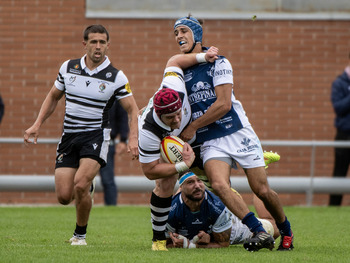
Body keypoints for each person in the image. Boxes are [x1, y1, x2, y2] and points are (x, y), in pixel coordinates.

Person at [174, 15, 293, 251]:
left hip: (237, 132)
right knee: (218, 185)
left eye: (184, 31)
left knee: (261, 190)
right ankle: (259, 231)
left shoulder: (220, 62)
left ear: (197, 34)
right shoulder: (179, 68)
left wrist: (192, 127)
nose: (179, 36)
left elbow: (224, 104)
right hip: (210, 139)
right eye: (176, 33)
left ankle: (287, 231)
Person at [23, 24, 139, 245]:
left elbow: (132, 109)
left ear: (107, 45)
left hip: (96, 136)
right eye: (93, 42)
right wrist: (37, 124)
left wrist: (132, 138)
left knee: (79, 184)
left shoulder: (116, 76)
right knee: (64, 196)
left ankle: (80, 236)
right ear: (84, 44)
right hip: (69, 137)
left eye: (102, 42)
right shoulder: (68, 67)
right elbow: (53, 97)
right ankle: (88, 187)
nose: (98, 47)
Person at [138, 47, 219, 251]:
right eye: (170, 118)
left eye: (177, 114)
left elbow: (174, 60)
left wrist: (203, 57)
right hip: (164, 142)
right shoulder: (148, 131)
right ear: (159, 115)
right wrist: (183, 165)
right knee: (165, 184)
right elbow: (149, 171)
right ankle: (158, 239)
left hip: (188, 136)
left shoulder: (176, 87)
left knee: (217, 179)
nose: (176, 119)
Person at [166, 172, 280, 249]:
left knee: (275, 229)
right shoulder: (170, 210)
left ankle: (260, 176)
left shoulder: (217, 207)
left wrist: (189, 245)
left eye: (199, 181)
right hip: (212, 220)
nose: (197, 186)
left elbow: (223, 243)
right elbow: (165, 243)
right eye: (190, 182)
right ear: (180, 188)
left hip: (229, 224)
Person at [329, 51, 350, 206]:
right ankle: (333, 207)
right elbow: (339, 107)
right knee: (339, 173)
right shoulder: (340, 83)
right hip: (345, 135)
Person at [99, 100, 129, 205]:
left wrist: (123, 140)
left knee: (108, 180)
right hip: (85, 140)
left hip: (107, 142)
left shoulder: (113, 92)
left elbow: (122, 117)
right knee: (81, 180)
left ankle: (111, 208)